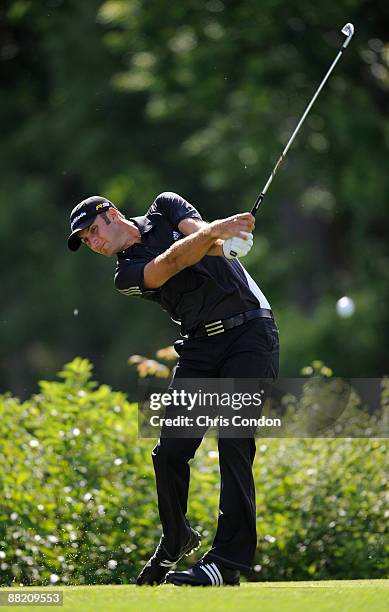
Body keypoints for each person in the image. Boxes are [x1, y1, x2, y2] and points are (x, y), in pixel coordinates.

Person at [67, 192, 279, 587]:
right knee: (170, 453)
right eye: (85, 240)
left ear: (112, 214)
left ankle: (227, 563)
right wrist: (220, 233)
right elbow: (175, 260)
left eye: (93, 230)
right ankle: (176, 537)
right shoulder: (126, 274)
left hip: (250, 332)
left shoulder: (164, 207)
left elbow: (200, 238)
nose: (93, 242)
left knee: (235, 439)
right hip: (199, 347)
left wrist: (226, 244)